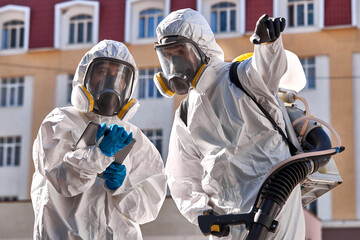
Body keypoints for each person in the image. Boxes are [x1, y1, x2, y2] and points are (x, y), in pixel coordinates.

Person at [153, 8, 305, 239]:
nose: (176, 63)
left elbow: (266, 71)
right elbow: (182, 176)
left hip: (274, 206)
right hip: (226, 220)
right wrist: (202, 212)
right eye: (169, 56)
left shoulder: (239, 77)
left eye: (181, 52)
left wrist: (268, 46)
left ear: (202, 48)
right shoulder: (185, 112)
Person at [31, 40, 167, 240]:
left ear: (127, 85)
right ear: (86, 77)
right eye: (102, 72)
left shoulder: (133, 137)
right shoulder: (61, 122)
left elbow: (149, 208)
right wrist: (98, 154)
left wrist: (122, 186)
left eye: (119, 76)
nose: (111, 82)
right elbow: (62, 181)